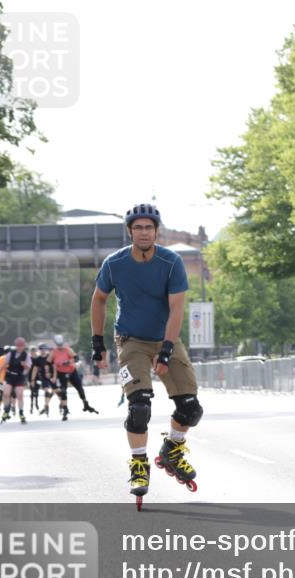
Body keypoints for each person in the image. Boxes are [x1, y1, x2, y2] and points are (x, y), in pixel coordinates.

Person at [90, 203, 203, 505]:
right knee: (140, 407)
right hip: (131, 340)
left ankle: (172, 450)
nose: (143, 232)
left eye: (148, 227)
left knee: (191, 408)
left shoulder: (171, 262)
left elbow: (177, 307)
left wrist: (167, 349)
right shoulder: (114, 264)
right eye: (137, 227)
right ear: (130, 231)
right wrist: (97, 343)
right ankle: (139, 464)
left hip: (166, 337)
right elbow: (99, 299)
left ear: (156, 231)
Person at [50, 334, 98, 421]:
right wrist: (52, 374)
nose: (60, 347)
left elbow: (76, 359)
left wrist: (68, 361)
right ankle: (65, 409)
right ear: (56, 344)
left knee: (79, 388)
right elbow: (48, 363)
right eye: (58, 345)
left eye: (61, 344)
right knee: (63, 391)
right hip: (61, 373)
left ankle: (85, 403)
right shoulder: (53, 352)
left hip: (72, 372)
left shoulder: (68, 349)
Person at [0, 337, 32, 424]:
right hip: (9, 376)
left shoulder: (26, 355)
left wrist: (24, 365)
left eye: (21, 346)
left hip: (19, 377)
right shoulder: (11, 354)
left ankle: (21, 413)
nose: (19, 347)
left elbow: (28, 367)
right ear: (16, 346)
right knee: (6, 393)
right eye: (18, 346)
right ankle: (6, 410)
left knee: (20, 395)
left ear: (24, 346)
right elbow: (5, 364)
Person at [31, 343, 55, 416]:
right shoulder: (38, 359)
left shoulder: (50, 357)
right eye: (41, 349)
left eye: (44, 349)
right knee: (47, 391)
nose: (43, 351)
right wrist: (32, 380)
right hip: (44, 378)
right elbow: (35, 370)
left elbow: (55, 367)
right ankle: (46, 407)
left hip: (51, 377)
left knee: (54, 391)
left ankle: (45, 406)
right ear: (39, 350)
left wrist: (55, 376)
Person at [28, 346, 41, 413]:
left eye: (34, 351)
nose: (33, 352)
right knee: (32, 392)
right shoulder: (29, 359)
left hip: (38, 377)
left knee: (37, 391)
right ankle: (31, 405)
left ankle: (36, 403)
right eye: (32, 351)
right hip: (30, 377)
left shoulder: (38, 359)